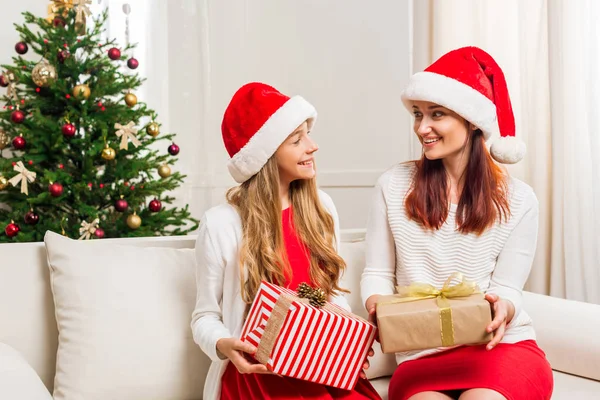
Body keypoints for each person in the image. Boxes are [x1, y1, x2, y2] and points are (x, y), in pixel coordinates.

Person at [361, 47, 553, 400]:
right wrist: (378, 307)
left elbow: (509, 287)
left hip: (501, 351)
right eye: (418, 114)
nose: (422, 127)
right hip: (421, 357)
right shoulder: (392, 185)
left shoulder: (519, 199)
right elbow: (378, 274)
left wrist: (503, 308)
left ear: (471, 120)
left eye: (437, 114)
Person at [192, 82, 381, 400]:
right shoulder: (221, 224)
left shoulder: (321, 209)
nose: (312, 146)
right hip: (258, 378)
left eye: (307, 134)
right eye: (297, 139)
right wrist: (223, 344)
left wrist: (347, 344)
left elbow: (329, 297)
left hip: (320, 369)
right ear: (265, 156)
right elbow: (205, 316)